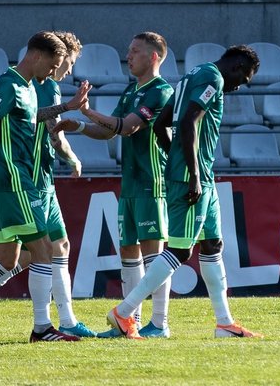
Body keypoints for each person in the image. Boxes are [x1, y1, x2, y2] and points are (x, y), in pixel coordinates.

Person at [104, 45, 263, 340]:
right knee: (179, 250)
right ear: (238, 65)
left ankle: (224, 322)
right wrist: (190, 173)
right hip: (193, 176)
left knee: (212, 244)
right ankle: (124, 312)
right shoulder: (212, 78)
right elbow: (188, 121)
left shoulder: (192, 75)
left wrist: (178, 158)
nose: (241, 85)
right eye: (245, 77)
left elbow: (162, 124)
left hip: (201, 174)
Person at [0, 31, 95, 338]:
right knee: (43, 250)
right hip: (18, 180)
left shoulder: (31, 87)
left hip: (24, 181)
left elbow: (30, 122)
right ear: (39, 56)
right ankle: (44, 328)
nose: (62, 71)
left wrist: (67, 107)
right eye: (61, 63)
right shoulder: (10, 84)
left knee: (10, 258)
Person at [61, 32, 174, 337]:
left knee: (154, 254)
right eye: (129, 50)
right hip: (131, 183)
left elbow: (127, 126)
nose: (129, 55)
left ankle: (160, 323)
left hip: (152, 181)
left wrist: (85, 111)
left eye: (135, 51)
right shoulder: (130, 91)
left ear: (153, 57)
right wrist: (81, 126)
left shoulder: (160, 91)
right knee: (128, 251)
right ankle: (130, 323)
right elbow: (109, 131)